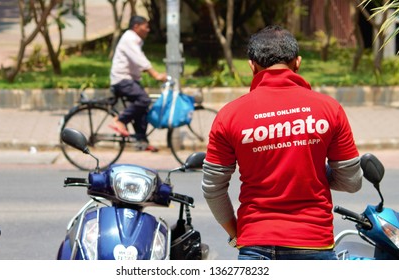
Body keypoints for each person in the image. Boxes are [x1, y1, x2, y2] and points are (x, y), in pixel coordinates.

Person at [201, 25, 363, 260]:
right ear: (297, 63)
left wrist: (237, 234)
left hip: (255, 243)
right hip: (313, 242)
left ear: (252, 66)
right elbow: (351, 182)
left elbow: (212, 190)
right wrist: (310, 169)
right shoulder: (329, 109)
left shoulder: (229, 115)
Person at [109, 15, 167, 151]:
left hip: (129, 79)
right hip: (122, 80)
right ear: (136, 26)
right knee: (144, 100)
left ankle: (142, 140)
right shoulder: (129, 38)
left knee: (143, 108)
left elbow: (137, 62)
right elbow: (139, 59)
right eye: (145, 26)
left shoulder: (135, 40)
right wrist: (155, 74)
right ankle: (120, 120)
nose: (148, 30)